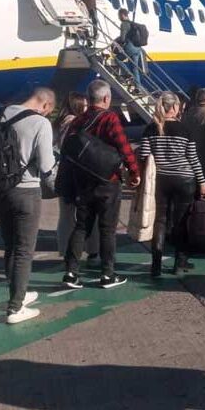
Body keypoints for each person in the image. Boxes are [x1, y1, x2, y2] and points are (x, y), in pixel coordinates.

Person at [62, 80, 140, 290]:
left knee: (81, 226)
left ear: (88, 98)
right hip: (108, 182)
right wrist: (134, 172)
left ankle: (71, 272)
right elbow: (124, 148)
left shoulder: (78, 121)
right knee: (107, 229)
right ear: (106, 98)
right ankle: (107, 274)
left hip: (83, 182)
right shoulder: (109, 118)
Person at [0, 88, 57, 324]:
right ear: (46, 106)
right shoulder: (40, 123)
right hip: (26, 192)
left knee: (10, 245)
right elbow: (47, 166)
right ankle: (15, 308)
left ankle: (19, 292)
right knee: (24, 249)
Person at [138, 92, 205, 277]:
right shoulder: (185, 129)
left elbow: (145, 157)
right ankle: (180, 262)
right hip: (184, 179)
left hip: (161, 180)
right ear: (176, 107)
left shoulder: (150, 129)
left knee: (159, 221)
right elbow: (193, 159)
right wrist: (202, 183)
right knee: (181, 221)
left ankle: (156, 265)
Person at [53, 92, 98, 259]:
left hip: (63, 172)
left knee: (65, 215)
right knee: (89, 213)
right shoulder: (77, 123)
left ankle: (64, 250)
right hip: (80, 173)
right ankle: (93, 250)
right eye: (85, 106)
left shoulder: (58, 124)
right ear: (78, 106)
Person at [117, 9, 142, 86]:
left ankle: (128, 74)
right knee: (135, 68)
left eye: (119, 15)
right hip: (138, 48)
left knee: (118, 59)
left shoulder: (124, 24)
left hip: (130, 47)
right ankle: (138, 87)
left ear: (123, 15)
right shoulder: (133, 24)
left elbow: (122, 39)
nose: (119, 17)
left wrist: (118, 44)